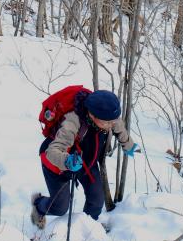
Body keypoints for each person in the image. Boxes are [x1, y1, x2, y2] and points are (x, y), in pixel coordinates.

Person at [30, 89, 138, 229]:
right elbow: (53, 151)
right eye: (107, 123)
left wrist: (129, 146)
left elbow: (119, 128)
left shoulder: (108, 118)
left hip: (86, 164)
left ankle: (87, 230)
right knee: (60, 207)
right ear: (92, 115)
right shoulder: (72, 121)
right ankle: (38, 205)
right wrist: (68, 161)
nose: (111, 125)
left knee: (97, 200)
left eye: (113, 121)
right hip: (57, 165)